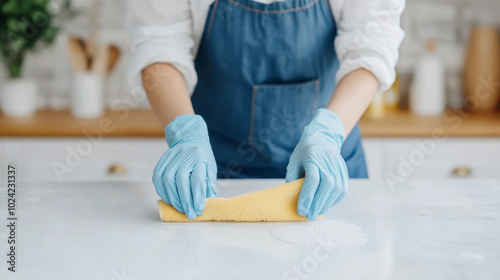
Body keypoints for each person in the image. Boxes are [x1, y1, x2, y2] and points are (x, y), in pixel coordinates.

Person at [127, 0, 405, 220]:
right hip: (214, 174)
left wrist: (328, 134)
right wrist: (185, 133)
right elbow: (159, 44)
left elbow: (370, 49)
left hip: (327, 172)